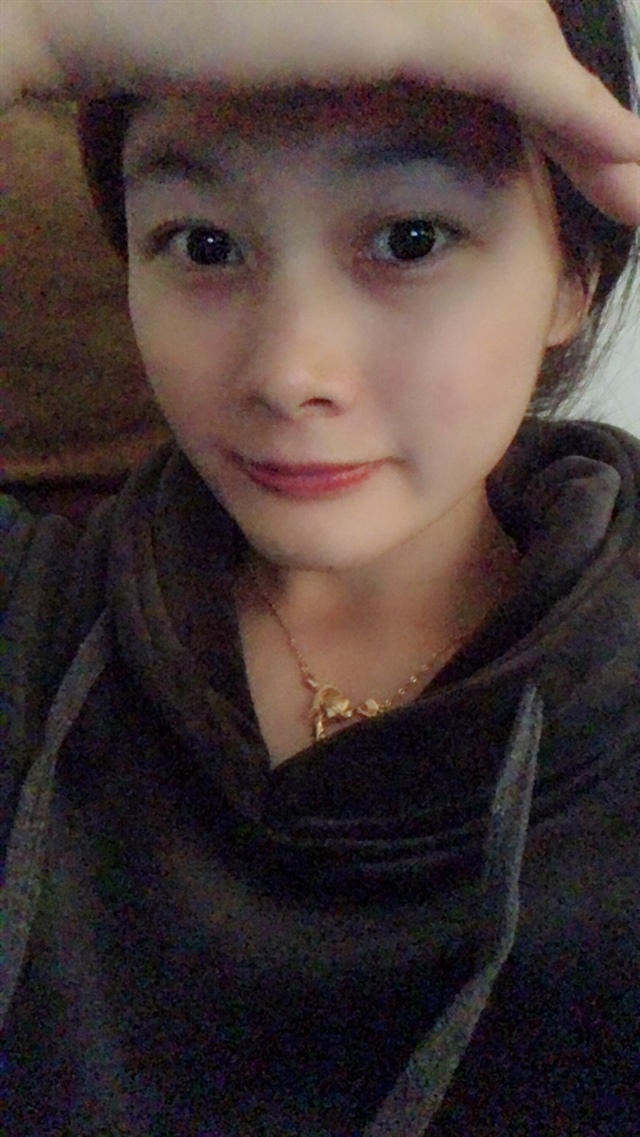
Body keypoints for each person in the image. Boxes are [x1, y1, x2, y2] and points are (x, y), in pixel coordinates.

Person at [2, 1, 639, 1134]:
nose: (289, 372)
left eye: (410, 239)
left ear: (571, 276)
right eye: (204, 244)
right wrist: (44, 32)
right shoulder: (33, 621)